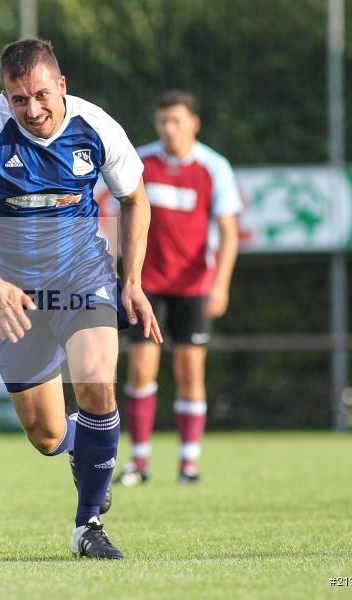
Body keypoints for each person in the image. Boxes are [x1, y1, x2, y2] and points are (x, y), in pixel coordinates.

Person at [0, 39, 161, 560]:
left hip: (81, 272)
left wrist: (131, 279)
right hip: (8, 289)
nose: (31, 109)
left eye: (40, 95)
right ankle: (82, 446)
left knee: (98, 378)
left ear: (62, 85)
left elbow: (134, 198)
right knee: (47, 434)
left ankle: (88, 525)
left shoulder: (97, 127)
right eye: (17, 99)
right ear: (4, 97)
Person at [115, 90, 241, 486]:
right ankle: (139, 463)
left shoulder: (213, 167)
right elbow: (120, 214)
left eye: (176, 121)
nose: (169, 128)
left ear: (193, 124)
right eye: (163, 121)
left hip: (193, 287)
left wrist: (219, 285)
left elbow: (228, 232)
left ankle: (188, 465)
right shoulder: (140, 161)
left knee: (190, 371)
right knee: (140, 369)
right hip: (146, 285)